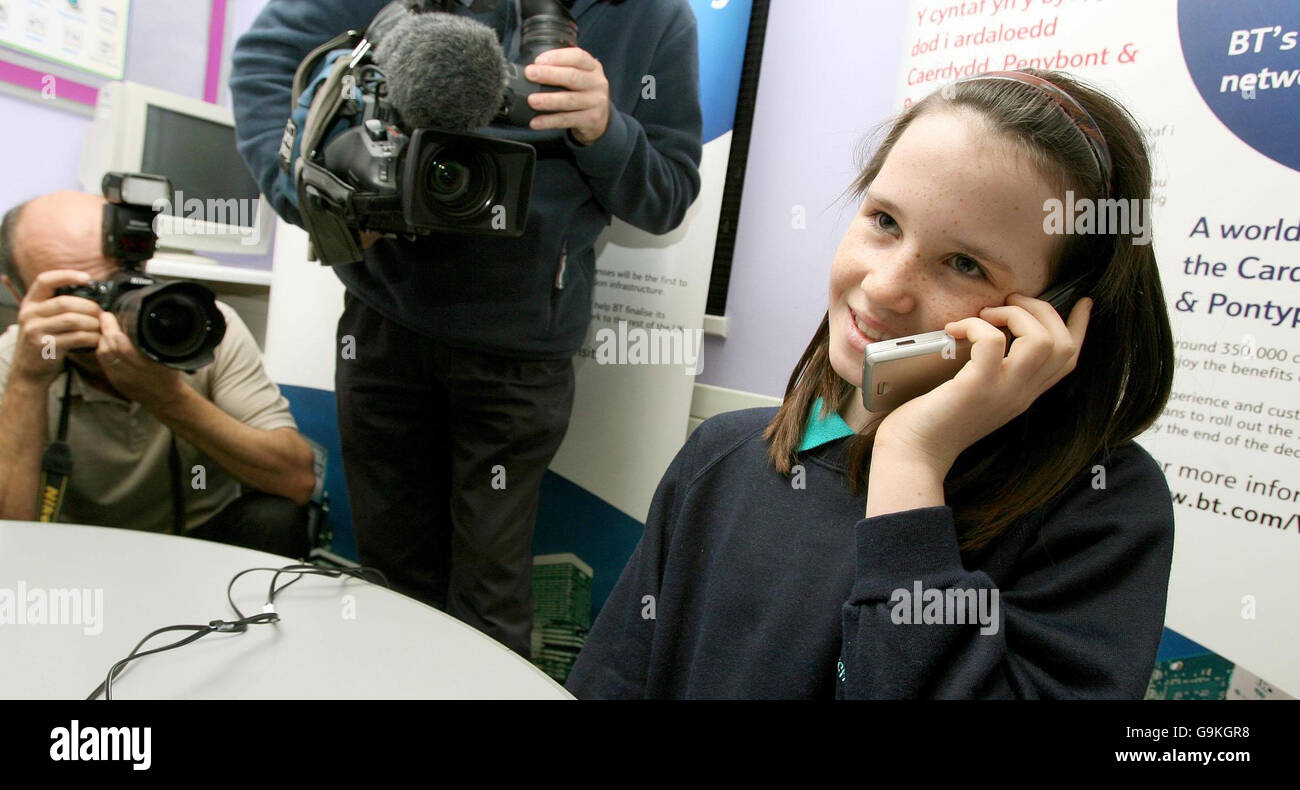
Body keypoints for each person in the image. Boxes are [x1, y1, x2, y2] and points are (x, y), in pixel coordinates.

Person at [565, 70, 1177, 699]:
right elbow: (612, 679)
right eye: (884, 220)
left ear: (1054, 312)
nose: (885, 287)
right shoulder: (722, 457)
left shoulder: (1102, 509)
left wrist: (910, 463)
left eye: (964, 264)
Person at [229, 0, 702, 657]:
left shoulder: (654, 17)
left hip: (522, 357)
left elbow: (669, 192)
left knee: (489, 596)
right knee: (390, 583)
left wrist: (606, 128)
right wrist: (304, 196)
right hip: (385, 326)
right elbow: (264, 59)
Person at [0, 190, 318, 557]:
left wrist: (167, 398)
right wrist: (28, 381)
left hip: (195, 538)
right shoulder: (13, 360)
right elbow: (9, 542)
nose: (108, 306)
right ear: (21, 295)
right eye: (80, 292)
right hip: (75, 551)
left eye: (122, 279)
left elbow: (296, 480)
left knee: (273, 520)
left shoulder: (204, 330)